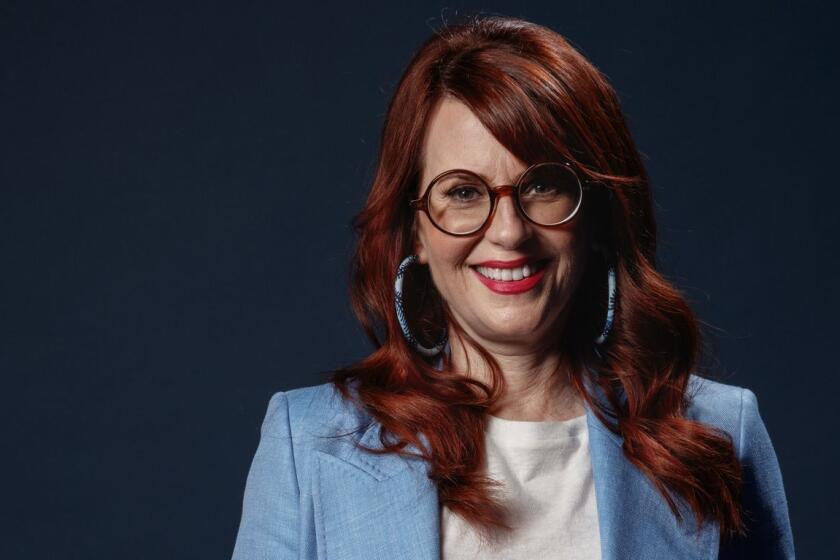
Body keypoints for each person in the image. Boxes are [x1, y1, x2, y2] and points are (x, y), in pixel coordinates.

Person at [231, 14, 795, 560]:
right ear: (416, 233)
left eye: (544, 185)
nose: (509, 231)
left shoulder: (720, 435)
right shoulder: (308, 445)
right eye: (462, 192)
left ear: (597, 214)